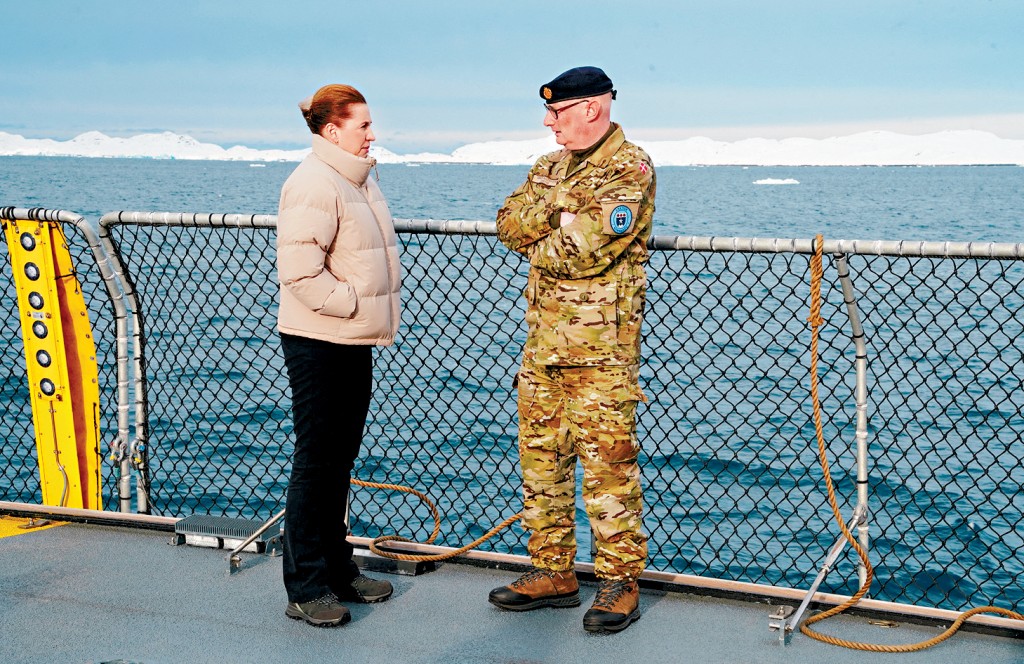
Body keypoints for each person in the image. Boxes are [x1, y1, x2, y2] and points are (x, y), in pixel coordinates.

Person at [489, 66, 656, 634]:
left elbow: (584, 250)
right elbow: (507, 223)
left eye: (557, 113)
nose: (547, 122)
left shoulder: (629, 168)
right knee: (542, 466)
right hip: (543, 349)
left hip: (601, 355)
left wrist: (552, 229)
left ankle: (619, 582)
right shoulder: (549, 166)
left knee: (609, 472)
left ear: (592, 108)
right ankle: (553, 570)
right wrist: (554, 218)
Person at [276, 83, 402, 627]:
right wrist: (352, 304)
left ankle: (336, 567)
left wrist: (358, 316)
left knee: (339, 460)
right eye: (363, 126)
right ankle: (306, 586)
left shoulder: (355, 179)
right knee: (317, 462)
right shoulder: (313, 183)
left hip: (349, 338)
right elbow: (300, 272)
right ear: (333, 130)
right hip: (321, 339)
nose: (373, 135)